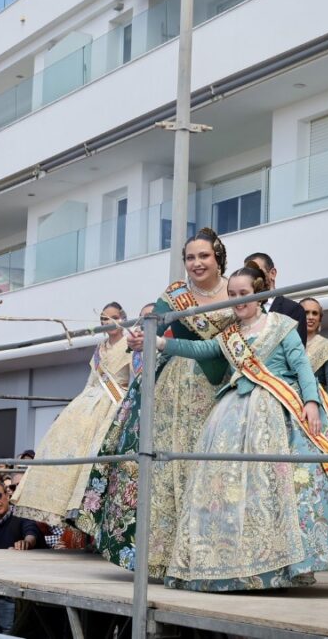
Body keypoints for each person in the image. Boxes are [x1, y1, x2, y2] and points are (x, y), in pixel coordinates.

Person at [153, 263, 328, 591]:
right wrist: (160, 343)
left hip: (283, 409)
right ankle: (241, 562)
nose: (238, 300)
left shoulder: (281, 325)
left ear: (259, 294)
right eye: (233, 295)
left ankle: (290, 564)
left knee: (286, 489)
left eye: (244, 294)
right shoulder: (230, 335)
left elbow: (301, 366)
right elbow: (202, 349)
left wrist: (311, 402)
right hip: (234, 413)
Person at [76, 228, 236, 577]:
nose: (196, 263)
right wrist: (139, 338)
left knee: (212, 465)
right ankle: (164, 555)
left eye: (204, 256)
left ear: (218, 258)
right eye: (190, 257)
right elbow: (154, 328)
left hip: (220, 384)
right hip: (174, 385)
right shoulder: (175, 294)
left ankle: (214, 555)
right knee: (167, 464)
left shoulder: (234, 291)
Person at [12, 302, 131, 528]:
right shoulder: (100, 348)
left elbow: (134, 376)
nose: (109, 323)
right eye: (104, 319)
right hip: (91, 399)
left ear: (123, 318)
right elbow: (92, 380)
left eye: (113, 318)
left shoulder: (130, 343)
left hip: (116, 399)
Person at [0, 481, 43, 634]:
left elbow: (31, 532)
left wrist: (26, 543)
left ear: (7, 495)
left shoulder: (21, 515)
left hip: (12, 598)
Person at [245, 252, 308, 343]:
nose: (253, 278)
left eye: (257, 272)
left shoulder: (293, 309)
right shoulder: (244, 311)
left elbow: (298, 348)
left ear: (272, 273)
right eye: (248, 275)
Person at [300, 297, 328, 395]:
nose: (310, 317)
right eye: (306, 313)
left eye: (315, 313)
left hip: (317, 400)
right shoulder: (287, 343)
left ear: (320, 319)